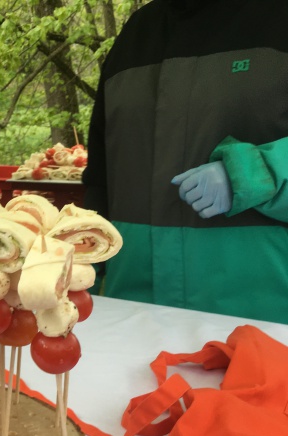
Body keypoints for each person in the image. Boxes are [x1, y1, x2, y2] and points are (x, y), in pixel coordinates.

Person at [82, 0, 288, 324]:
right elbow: (100, 181)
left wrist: (256, 173)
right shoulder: (135, 36)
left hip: (258, 325)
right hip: (131, 320)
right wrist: (80, 269)